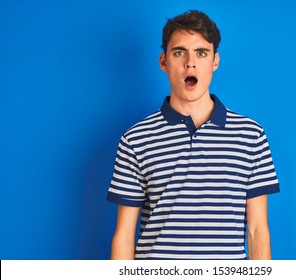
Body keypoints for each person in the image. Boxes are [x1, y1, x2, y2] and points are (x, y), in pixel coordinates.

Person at [107, 10, 280, 260]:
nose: (191, 62)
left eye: (201, 52)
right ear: (164, 61)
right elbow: (124, 234)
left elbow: (257, 230)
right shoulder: (135, 139)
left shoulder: (251, 135)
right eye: (179, 52)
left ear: (214, 61)